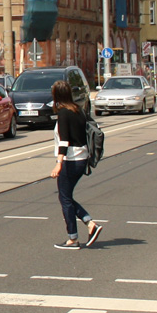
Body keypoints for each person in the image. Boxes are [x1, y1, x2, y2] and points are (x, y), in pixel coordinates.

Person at [50, 79, 103, 249]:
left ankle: (73, 239)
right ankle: (89, 224)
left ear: (56, 95)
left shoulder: (64, 113)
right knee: (66, 197)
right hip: (82, 158)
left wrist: (59, 163)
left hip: (71, 160)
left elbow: (64, 141)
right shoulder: (78, 109)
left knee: (64, 198)